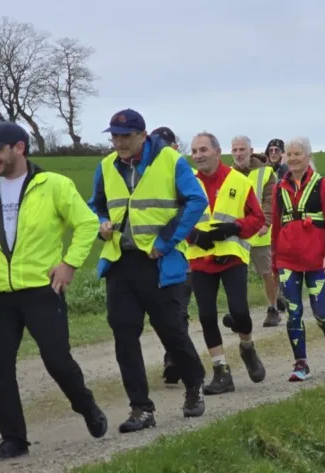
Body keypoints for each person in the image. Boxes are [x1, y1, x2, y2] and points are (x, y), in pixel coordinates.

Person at [0, 122, 107, 461]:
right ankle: (14, 440)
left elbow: (87, 223)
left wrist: (70, 263)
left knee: (57, 361)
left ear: (19, 148)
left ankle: (86, 405)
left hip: (42, 290)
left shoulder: (54, 185)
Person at [88, 109, 207, 432]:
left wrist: (166, 241)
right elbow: (95, 204)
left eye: (125, 136)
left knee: (171, 330)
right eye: (114, 136)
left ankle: (194, 383)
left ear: (143, 135)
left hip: (157, 261)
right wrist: (101, 223)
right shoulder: (106, 166)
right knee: (124, 333)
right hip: (120, 261)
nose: (119, 142)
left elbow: (196, 200)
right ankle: (141, 408)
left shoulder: (170, 160)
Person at [184, 132, 267, 395]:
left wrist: (234, 227)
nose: (198, 156)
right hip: (200, 257)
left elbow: (257, 218)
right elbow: (174, 217)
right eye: (194, 151)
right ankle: (221, 371)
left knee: (239, 312)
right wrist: (192, 235)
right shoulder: (187, 183)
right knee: (207, 316)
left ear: (218, 152)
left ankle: (247, 347)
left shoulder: (238, 181)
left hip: (232, 256)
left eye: (203, 150)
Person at [270, 137, 325, 381]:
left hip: (317, 260)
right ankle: (300, 363)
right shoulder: (279, 188)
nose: (292, 159)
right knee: (293, 311)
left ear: (308, 156)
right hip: (287, 260)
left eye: (297, 154)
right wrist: (274, 261)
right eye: (289, 154)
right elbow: (275, 227)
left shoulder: (322, 184)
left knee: (321, 312)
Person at [149, 126, 197, 386]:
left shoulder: (185, 174)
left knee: (178, 311)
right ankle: (175, 357)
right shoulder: (147, 176)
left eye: (166, 146)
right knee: (163, 314)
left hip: (185, 255)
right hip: (154, 255)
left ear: (175, 147)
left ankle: (175, 360)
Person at [230, 135, 286, 328]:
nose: (238, 154)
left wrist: (266, 222)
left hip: (260, 231)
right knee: (235, 274)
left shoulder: (266, 172)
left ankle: (273, 308)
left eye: (242, 150)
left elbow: (270, 200)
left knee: (267, 272)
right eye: (235, 150)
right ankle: (238, 312)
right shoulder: (229, 173)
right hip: (237, 232)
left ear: (251, 151)